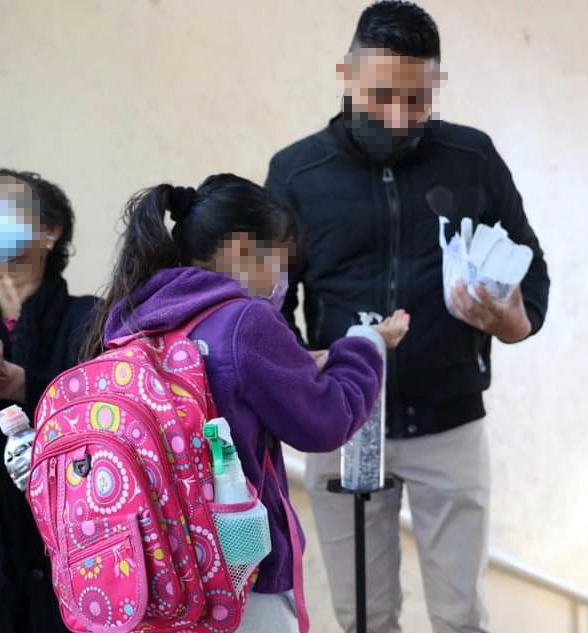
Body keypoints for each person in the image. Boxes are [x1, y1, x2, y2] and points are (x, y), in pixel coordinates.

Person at [265, 2, 550, 631]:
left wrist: (509, 319)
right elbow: (270, 308)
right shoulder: (296, 173)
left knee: (460, 615)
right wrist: (299, 368)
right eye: (381, 96)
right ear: (347, 75)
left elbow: (533, 277)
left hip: (451, 426)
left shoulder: (473, 159)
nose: (397, 119)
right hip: (343, 424)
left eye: (417, 101)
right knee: (363, 616)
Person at [82, 174, 409, 631]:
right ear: (239, 249)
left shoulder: (134, 317)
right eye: (279, 256)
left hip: (155, 569)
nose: (283, 274)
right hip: (239, 571)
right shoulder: (244, 320)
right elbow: (325, 420)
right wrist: (365, 345)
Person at [0, 169, 98, 633]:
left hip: (77, 552)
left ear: (50, 231)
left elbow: (109, 416)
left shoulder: (92, 320)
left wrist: (27, 388)